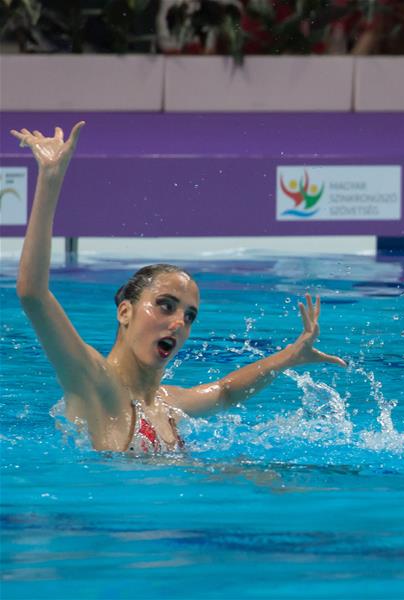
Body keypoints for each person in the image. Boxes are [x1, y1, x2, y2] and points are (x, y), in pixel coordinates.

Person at [12, 122, 347, 453]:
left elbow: (226, 391)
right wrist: (51, 179)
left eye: (189, 316)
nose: (178, 323)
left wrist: (287, 357)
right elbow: (33, 294)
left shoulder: (167, 403)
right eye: (165, 305)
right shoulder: (95, 384)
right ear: (125, 311)